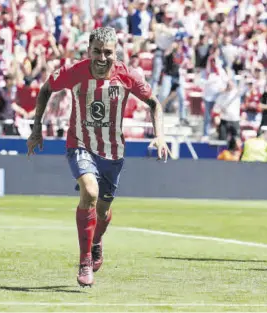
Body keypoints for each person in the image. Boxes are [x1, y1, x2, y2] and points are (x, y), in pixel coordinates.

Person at [26, 27, 170, 287]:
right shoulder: (75, 72)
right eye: (97, 52)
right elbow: (46, 89)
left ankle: (96, 240)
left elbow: (155, 104)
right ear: (88, 51)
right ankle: (84, 262)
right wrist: (36, 128)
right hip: (79, 144)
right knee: (89, 193)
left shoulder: (128, 76)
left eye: (108, 52)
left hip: (113, 152)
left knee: (102, 211)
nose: (102, 57)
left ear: (116, 53)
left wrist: (160, 135)